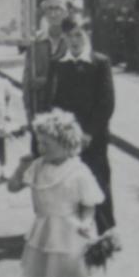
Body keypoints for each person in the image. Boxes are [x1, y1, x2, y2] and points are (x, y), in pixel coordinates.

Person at [8, 109, 103, 277]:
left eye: (46, 143)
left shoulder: (78, 171)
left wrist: (86, 222)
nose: (41, 147)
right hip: (46, 229)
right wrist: (21, 168)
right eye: (39, 141)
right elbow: (13, 187)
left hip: (71, 230)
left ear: (66, 143)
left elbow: (89, 203)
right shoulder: (38, 166)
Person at [47, 15, 117, 234]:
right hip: (67, 139)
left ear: (87, 35)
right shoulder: (58, 65)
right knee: (69, 185)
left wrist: (89, 133)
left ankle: (107, 233)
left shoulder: (99, 63)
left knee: (98, 182)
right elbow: (53, 102)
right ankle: (74, 234)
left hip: (93, 138)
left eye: (79, 35)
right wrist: (60, 133)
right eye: (69, 36)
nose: (74, 40)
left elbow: (106, 102)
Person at [22, 0, 70, 136]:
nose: (53, 13)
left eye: (58, 8)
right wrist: (29, 111)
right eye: (49, 9)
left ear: (66, 13)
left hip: (67, 110)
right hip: (41, 108)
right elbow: (27, 78)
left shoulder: (73, 40)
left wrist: (46, 81)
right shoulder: (36, 41)